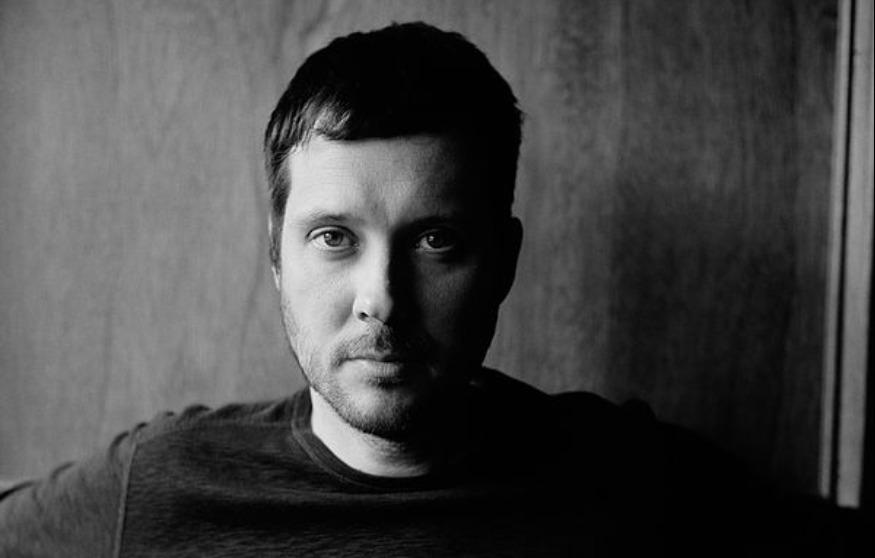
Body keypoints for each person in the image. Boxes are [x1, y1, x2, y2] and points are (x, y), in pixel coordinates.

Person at [1, 21, 788, 557]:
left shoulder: (629, 480)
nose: (380, 298)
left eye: (434, 240)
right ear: (275, 255)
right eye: (333, 238)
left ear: (503, 262)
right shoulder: (163, 485)